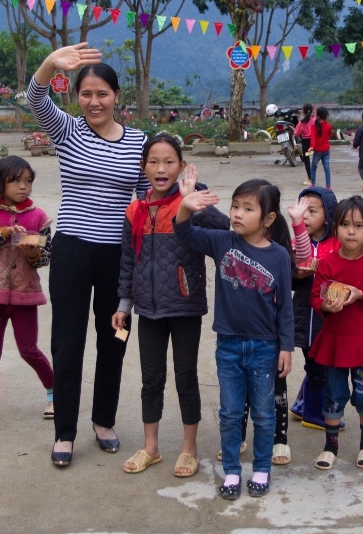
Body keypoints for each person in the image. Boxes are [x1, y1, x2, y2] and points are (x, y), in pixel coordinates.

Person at [27, 45, 149, 468]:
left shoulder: (139, 142)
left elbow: (146, 198)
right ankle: (65, 430)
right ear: (76, 97)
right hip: (72, 251)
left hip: (118, 255)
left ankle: (103, 421)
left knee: (113, 339)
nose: (94, 102)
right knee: (67, 341)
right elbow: (34, 98)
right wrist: (50, 64)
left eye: (102, 94)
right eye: (85, 94)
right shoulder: (67, 131)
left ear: (117, 96)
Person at [114, 135, 230, 477]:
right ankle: (151, 447)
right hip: (146, 310)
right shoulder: (135, 210)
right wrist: (124, 303)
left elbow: (226, 230)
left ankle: (188, 449)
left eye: (169, 161)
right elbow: (127, 260)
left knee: (185, 377)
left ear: (181, 166)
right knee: (150, 379)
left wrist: (194, 200)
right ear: (142, 167)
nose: (160, 168)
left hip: (184, 305)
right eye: (153, 161)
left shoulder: (191, 202)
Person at [175, 171, 294, 500]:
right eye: (235, 206)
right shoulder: (222, 241)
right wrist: (185, 205)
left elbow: (284, 305)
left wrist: (287, 346)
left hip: (265, 348)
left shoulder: (279, 256)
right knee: (229, 413)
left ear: (268, 218)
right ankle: (231, 470)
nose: (238, 214)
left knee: (264, 413)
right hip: (227, 345)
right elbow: (184, 232)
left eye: (247, 208)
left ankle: (261, 467)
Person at [0, 157, 54, 431]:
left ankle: (54, 392)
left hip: (24, 295)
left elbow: (46, 257)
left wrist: (33, 252)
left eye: (28, 181)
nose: (23, 186)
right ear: (0, 183)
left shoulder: (39, 217)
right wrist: (2, 232)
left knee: (29, 349)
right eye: (16, 180)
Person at [309, 196, 363, 471]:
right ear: (336, 228)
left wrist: (360, 295)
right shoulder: (328, 263)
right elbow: (314, 298)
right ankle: (330, 446)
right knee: (333, 395)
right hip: (335, 342)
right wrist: (326, 306)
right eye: (345, 224)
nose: (351, 231)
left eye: (358, 225)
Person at [287, 187, 340, 433]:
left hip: (332, 319)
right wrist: (298, 273)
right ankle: (314, 413)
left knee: (325, 366)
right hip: (305, 318)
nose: (305, 216)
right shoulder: (297, 244)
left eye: (312, 211)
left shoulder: (338, 244)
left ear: (328, 216)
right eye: (302, 210)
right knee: (317, 367)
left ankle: (300, 405)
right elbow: (289, 283)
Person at [310, 106, 333, 190]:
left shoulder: (314, 126)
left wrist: (311, 147)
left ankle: (313, 184)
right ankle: (328, 186)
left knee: (314, 167)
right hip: (326, 149)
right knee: (326, 167)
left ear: (318, 116)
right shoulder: (329, 126)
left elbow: (313, 139)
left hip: (317, 150)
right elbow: (329, 136)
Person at [294, 103, 315, 186]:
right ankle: (313, 177)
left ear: (303, 111)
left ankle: (310, 177)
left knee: (306, 160)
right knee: (315, 159)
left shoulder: (302, 122)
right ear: (312, 110)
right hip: (314, 141)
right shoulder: (314, 120)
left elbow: (296, 133)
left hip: (305, 141)